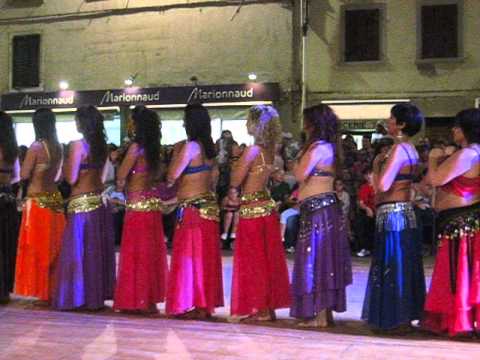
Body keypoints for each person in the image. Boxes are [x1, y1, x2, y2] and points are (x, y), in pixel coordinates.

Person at [362, 103, 426, 331]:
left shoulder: (398, 151)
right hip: (405, 212)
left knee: (391, 264)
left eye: (391, 119)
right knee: (404, 264)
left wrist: (377, 166)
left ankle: (394, 318)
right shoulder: (412, 150)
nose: (388, 122)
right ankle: (405, 316)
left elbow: (382, 185)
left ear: (401, 124)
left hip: (391, 213)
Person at [227, 105, 291, 321]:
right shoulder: (270, 151)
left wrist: (236, 161)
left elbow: (236, 179)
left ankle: (259, 308)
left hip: (252, 210)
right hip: (266, 208)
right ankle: (266, 307)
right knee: (266, 259)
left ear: (256, 124)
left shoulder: (252, 151)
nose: (246, 124)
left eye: (248, 121)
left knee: (253, 260)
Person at [290, 104, 352, 327]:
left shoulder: (316, 148)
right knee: (325, 260)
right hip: (324, 209)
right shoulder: (330, 148)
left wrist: (295, 158)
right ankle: (324, 313)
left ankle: (320, 315)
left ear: (312, 124)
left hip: (318, 212)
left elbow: (299, 174)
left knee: (316, 260)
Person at [52, 105, 115, 311]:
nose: (75, 123)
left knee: (77, 254)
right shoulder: (102, 147)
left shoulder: (78, 145)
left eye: (77, 119)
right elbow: (104, 177)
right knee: (94, 254)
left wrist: (63, 166)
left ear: (83, 123)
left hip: (80, 205)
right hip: (98, 204)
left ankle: (76, 298)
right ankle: (94, 299)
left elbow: (71, 178)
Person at [423, 108, 480, 336]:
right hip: (466, 219)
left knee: (459, 270)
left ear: (467, 129)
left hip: (460, 221)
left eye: (457, 126)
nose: (453, 129)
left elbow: (435, 179)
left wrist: (433, 157)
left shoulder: (467, 154)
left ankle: (460, 321)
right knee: (467, 270)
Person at [165, 104, 223, 319]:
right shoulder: (210, 151)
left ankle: (193, 302)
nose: (182, 123)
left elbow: (172, 175)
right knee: (204, 258)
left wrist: (177, 152)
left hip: (192, 210)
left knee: (190, 259)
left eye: (184, 120)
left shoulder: (190, 148)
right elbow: (214, 180)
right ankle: (203, 304)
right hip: (208, 207)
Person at [113, 106, 168, 313]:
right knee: (150, 253)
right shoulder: (155, 150)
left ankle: (135, 300)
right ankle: (149, 300)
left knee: (135, 254)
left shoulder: (136, 148)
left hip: (136, 206)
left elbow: (121, 177)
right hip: (152, 207)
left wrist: (119, 177)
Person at [15, 108, 65, 303]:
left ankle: (40, 290)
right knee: (54, 247)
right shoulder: (58, 146)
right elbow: (60, 177)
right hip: (55, 201)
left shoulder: (36, 147)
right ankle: (52, 290)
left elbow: (24, 174)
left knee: (37, 248)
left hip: (37, 202)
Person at [0, 112, 20, 304]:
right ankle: (5, 289)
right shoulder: (11, 150)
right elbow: (16, 177)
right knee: (6, 245)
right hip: (7, 199)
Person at [356, 168, 375, 257]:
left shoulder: (380, 186)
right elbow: (361, 203)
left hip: (379, 211)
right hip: (367, 212)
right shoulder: (364, 187)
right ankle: (365, 248)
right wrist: (368, 209)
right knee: (363, 220)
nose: (369, 176)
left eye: (370, 174)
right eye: (366, 175)